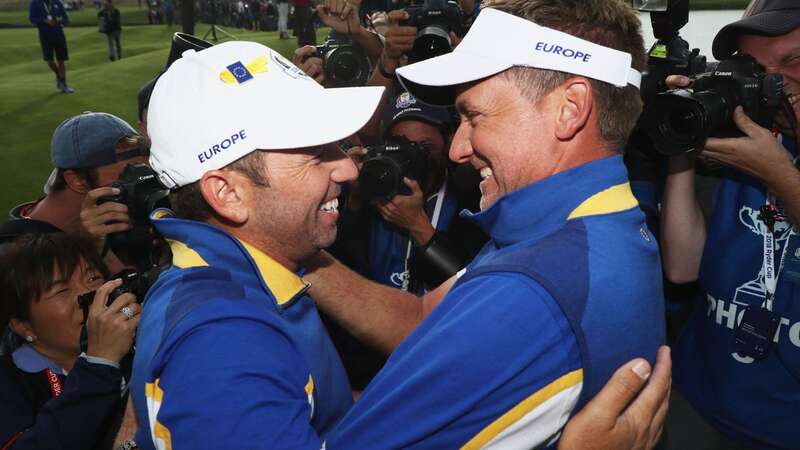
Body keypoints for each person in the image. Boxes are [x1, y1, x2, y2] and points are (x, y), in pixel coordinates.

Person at [130, 40, 669, 450]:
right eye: (314, 153)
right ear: (226, 193)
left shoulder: (258, 279)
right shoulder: (223, 340)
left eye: (337, 145)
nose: (347, 167)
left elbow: (320, 407)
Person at [306, 0, 665, 447]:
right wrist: (296, 254)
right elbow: (424, 322)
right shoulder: (592, 223)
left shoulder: (529, 290)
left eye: (474, 116)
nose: (457, 148)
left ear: (570, 109)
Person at [659, 1, 800, 448]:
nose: (778, 80)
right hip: (702, 398)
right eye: (756, 66)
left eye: (794, 60)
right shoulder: (743, 151)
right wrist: (683, 138)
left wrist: (780, 176)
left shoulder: (763, 160)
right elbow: (682, 268)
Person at [0, 233, 141, 450]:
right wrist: (100, 363)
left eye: (93, 279)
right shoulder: (10, 383)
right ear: (24, 326)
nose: (88, 294)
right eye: (63, 290)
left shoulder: (144, 345)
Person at [29, 0, 73, 93]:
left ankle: (64, 84)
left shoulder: (57, 2)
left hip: (59, 34)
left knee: (61, 59)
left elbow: (66, 18)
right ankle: (58, 74)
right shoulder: (35, 2)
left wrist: (59, 20)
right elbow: (32, 19)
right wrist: (44, 21)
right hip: (45, 35)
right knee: (49, 60)